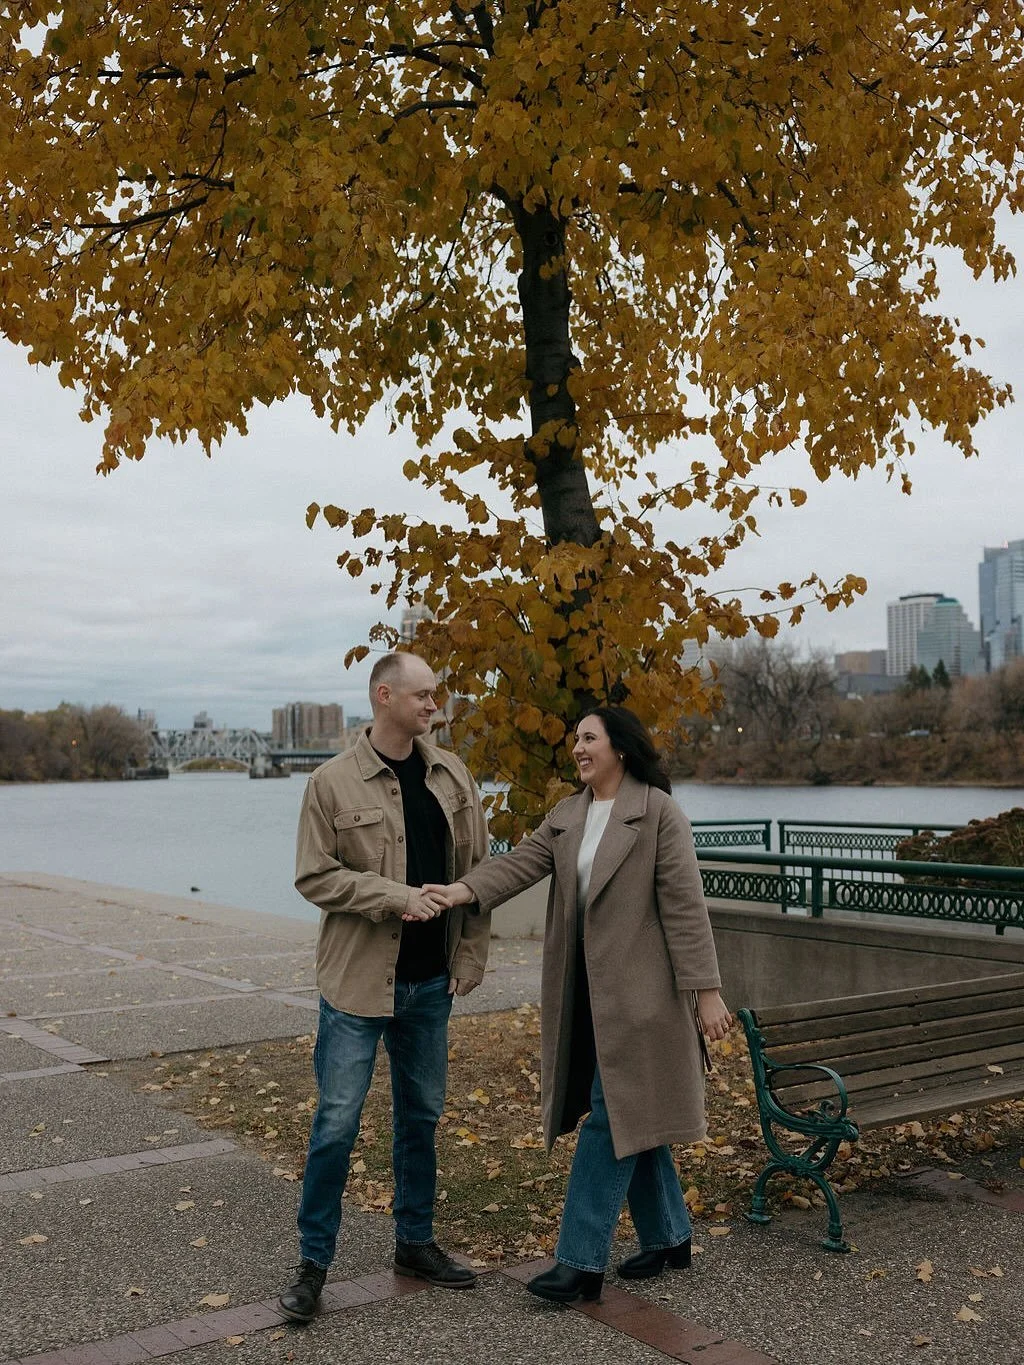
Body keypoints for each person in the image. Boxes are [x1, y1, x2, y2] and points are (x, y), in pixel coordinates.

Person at [428, 705, 730, 1304]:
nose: (578, 749)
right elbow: (519, 864)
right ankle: (671, 1237)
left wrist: (708, 991)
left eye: (589, 738)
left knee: (610, 1117)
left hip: (644, 1001)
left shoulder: (658, 813)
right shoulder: (568, 815)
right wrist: (464, 890)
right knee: (631, 1111)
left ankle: (580, 1263)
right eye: (575, 740)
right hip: (583, 997)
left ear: (620, 746)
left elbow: (685, 908)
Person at [277, 652, 491, 1324]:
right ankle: (313, 1265)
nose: (435, 705)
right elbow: (314, 877)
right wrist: (390, 896)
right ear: (384, 695)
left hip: (430, 984)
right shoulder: (330, 783)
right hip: (356, 987)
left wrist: (471, 955)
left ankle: (415, 1244)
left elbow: (478, 875)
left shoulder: (452, 774)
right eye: (424, 695)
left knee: (421, 1119)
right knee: (336, 1126)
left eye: (437, 694)